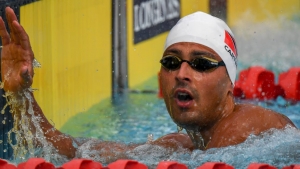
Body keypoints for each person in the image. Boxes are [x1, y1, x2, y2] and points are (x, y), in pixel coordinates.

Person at [0, 7, 296, 162]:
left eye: (201, 64)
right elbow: (72, 150)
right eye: (170, 62)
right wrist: (20, 94)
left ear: (231, 83)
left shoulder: (253, 124)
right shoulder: (180, 146)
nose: (181, 73)